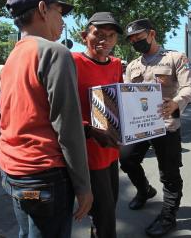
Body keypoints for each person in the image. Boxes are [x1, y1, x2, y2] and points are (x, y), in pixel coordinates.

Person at [0, 0, 93, 238]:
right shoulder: (55, 52)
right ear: (42, 9)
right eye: (59, 13)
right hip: (44, 179)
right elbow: (68, 127)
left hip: (14, 176)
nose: (62, 22)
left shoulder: (12, 58)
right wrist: (84, 187)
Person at [122, 18, 191, 237]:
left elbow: (189, 88)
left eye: (139, 37)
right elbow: (127, 93)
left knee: (169, 173)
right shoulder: (133, 65)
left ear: (152, 34)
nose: (135, 41)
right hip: (140, 125)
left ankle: (168, 216)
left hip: (166, 123)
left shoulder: (175, 58)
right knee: (126, 159)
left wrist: (176, 103)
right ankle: (144, 190)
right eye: (132, 39)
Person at [72, 12, 123, 238]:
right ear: (85, 36)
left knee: (111, 203)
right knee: (105, 213)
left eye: (111, 36)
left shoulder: (116, 64)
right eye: (98, 34)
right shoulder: (72, 62)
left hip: (112, 149)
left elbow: (119, 100)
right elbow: (63, 107)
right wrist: (88, 129)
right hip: (89, 152)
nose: (105, 41)